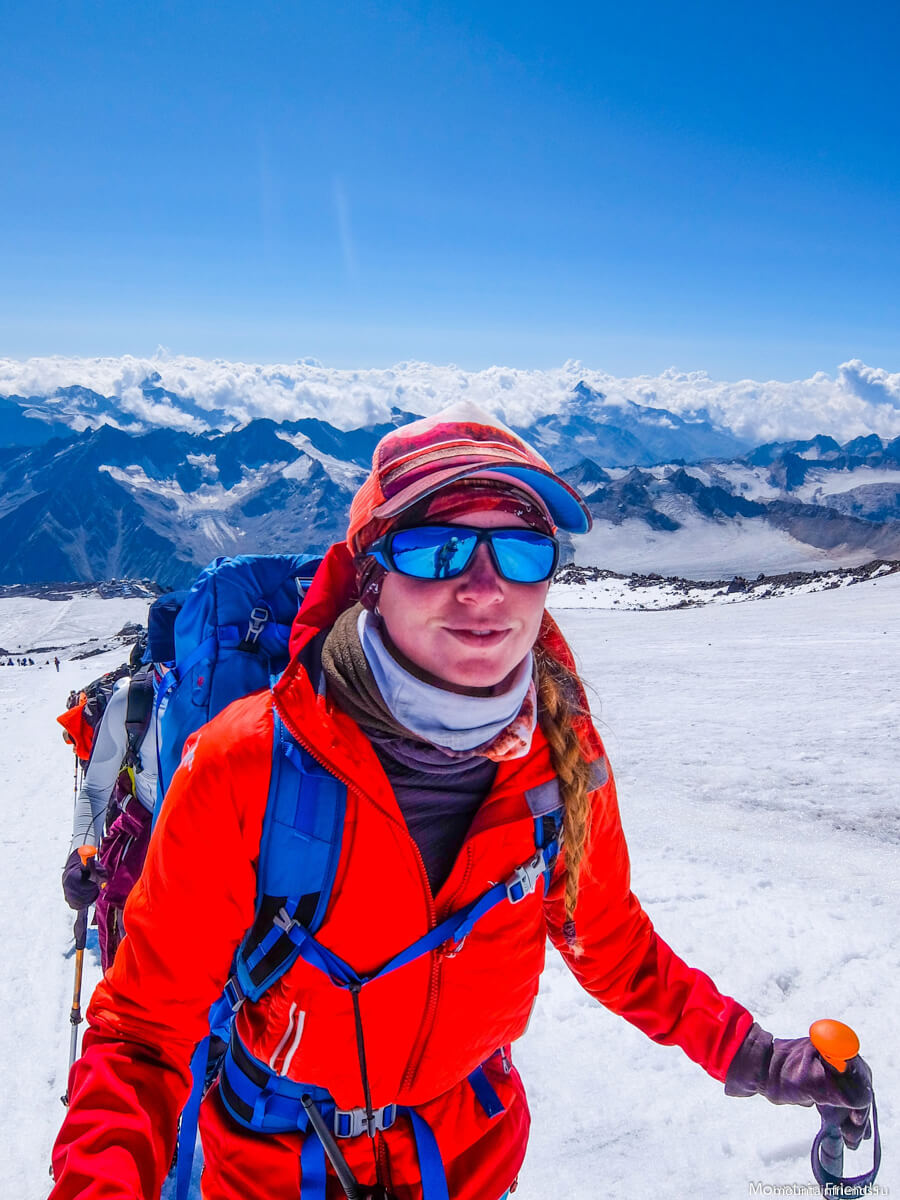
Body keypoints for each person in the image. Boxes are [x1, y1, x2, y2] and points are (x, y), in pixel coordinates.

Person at [50, 404, 873, 1200]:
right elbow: (144, 1038)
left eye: (521, 552)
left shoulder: (561, 756)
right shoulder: (246, 763)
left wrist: (761, 1058)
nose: (485, 589)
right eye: (438, 550)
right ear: (370, 577)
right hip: (273, 1166)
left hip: (468, 1161)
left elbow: (611, 944)